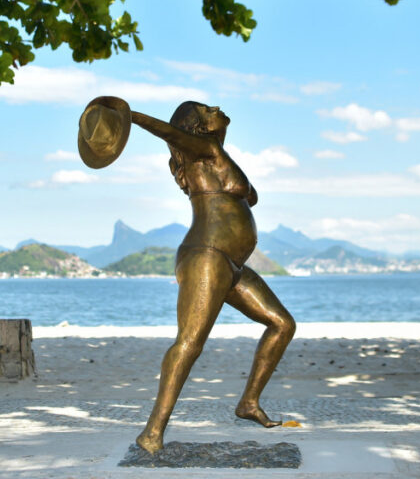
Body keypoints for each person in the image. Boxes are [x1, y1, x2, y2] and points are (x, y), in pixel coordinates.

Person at [126, 101, 296, 453]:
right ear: (198, 127)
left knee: (282, 324)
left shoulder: (215, 155)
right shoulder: (204, 149)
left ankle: (248, 402)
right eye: (207, 109)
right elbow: (170, 133)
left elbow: (252, 196)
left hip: (231, 264)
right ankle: (152, 432)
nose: (216, 107)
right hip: (207, 255)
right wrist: (128, 116)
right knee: (189, 343)